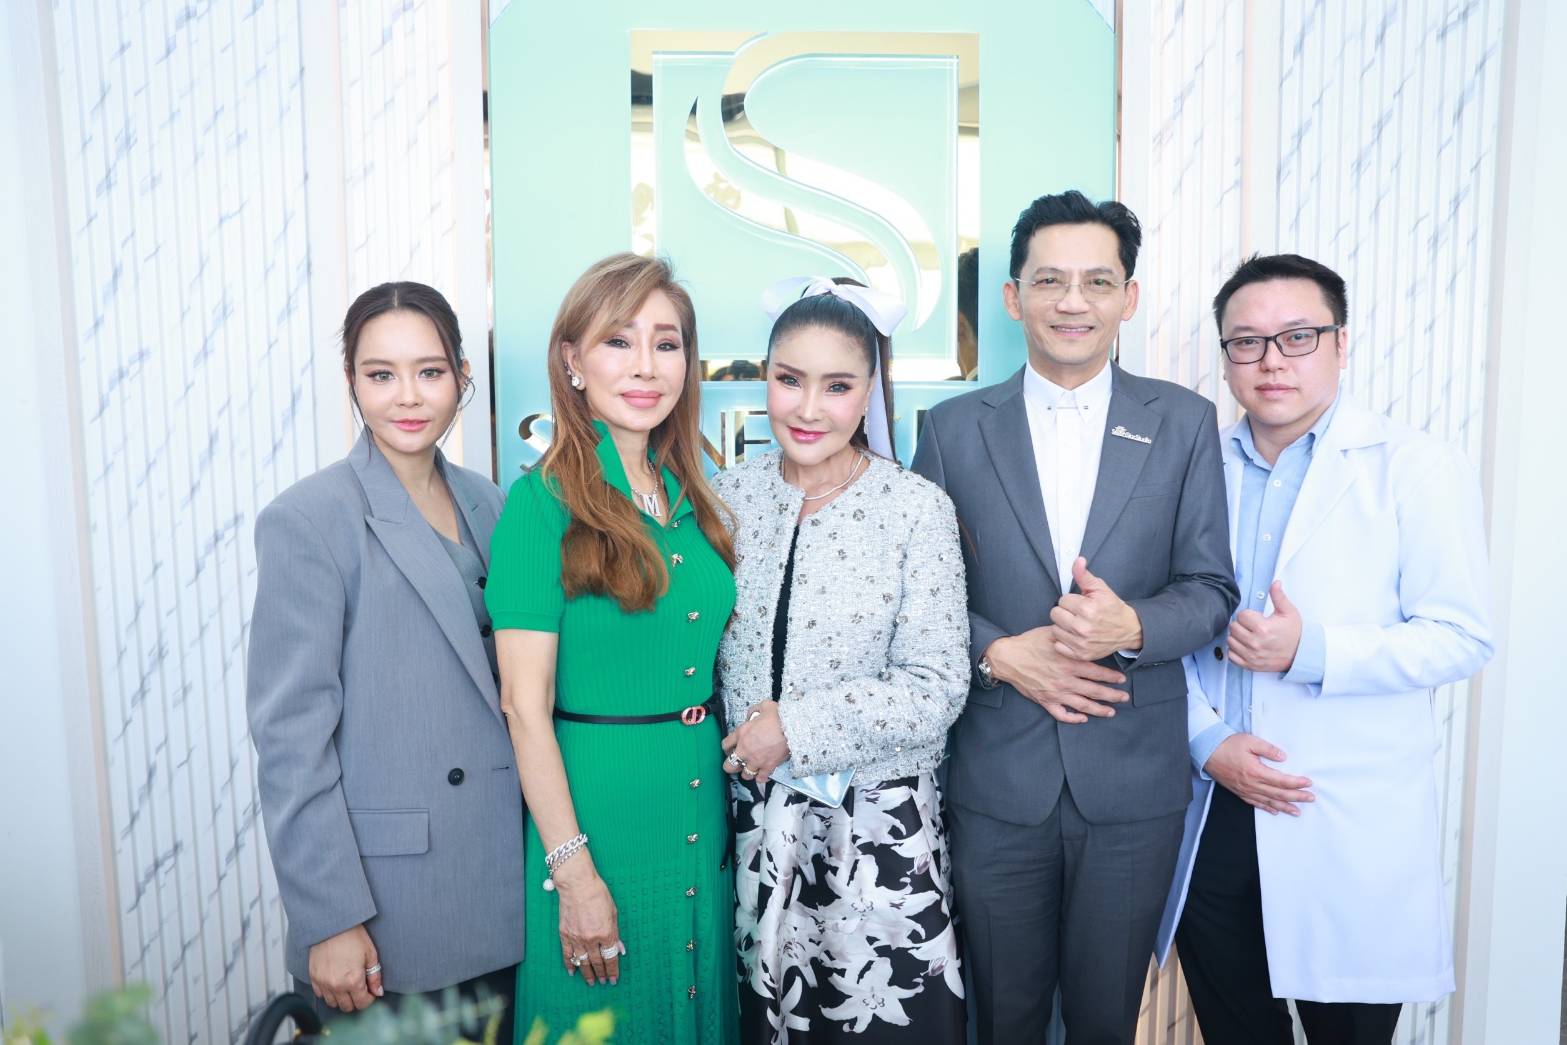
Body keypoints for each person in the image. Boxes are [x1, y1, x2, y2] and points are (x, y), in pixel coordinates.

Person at [910, 190, 1239, 1044]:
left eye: (1096, 281)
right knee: (1002, 1019)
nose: (1071, 301)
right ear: (1012, 296)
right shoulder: (949, 429)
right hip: (995, 780)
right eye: (1048, 280)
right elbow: (917, 599)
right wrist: (997, 653)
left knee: (1103, 1022)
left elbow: (1211, 589)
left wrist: (1133, 628)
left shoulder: (1184, 422)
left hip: (1132, 782)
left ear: (1128, 298)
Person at [1155, 254, 1494, 1045]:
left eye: (1297, 336)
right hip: (1212, 810)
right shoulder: (1188, 468)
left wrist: (1311, 650)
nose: (1271, 360)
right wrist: (1205, 741)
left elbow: (1461, 634)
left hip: (1338, 812)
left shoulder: (1413, 466)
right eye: (1246, 341)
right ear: (1226, 358)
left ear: (1340, 344)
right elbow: (1159, 628)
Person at [247, 282, 523, 1038]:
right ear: (351, 381)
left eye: (430, 371)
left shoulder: (492, 504)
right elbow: (290, 739)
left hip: (500, 877)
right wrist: (329, 917)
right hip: (388, 902)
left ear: (462, 375)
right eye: (381, 374)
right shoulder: (309, 518)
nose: (408, 396)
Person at [484, 253, 738, 1044]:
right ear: (572, 360)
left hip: (698, 819)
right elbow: (523, 707)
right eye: (618, 341)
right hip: (598, 828)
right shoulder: (540, 504)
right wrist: (573, 870)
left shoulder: (692, 494)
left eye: (666, 343)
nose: (645, 366)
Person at [715, 277, 969, 1044]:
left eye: (836, 385)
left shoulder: (914, 507)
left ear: (868, 393)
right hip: (753, 831)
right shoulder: (724, 499)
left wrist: (792, 727)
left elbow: (937, 685)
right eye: (788, 379)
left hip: (876, 838)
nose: (807, 408)